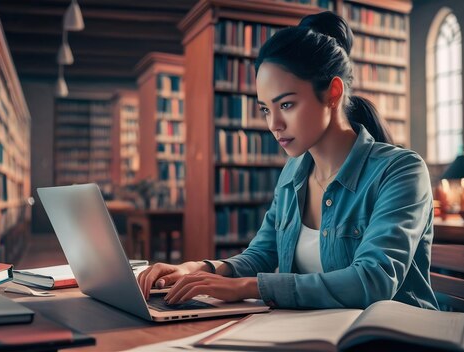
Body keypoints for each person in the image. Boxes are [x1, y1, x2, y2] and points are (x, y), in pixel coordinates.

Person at [138, 11, 439, 310]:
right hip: (318, 334)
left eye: (286, 104)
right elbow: (262, 253)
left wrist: (246, 287)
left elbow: (373, 281)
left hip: (392, 336)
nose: (274, 124)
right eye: (266, 109)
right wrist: (201, 269)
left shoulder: (401, 171)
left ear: (333, 93)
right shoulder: (294, 172)